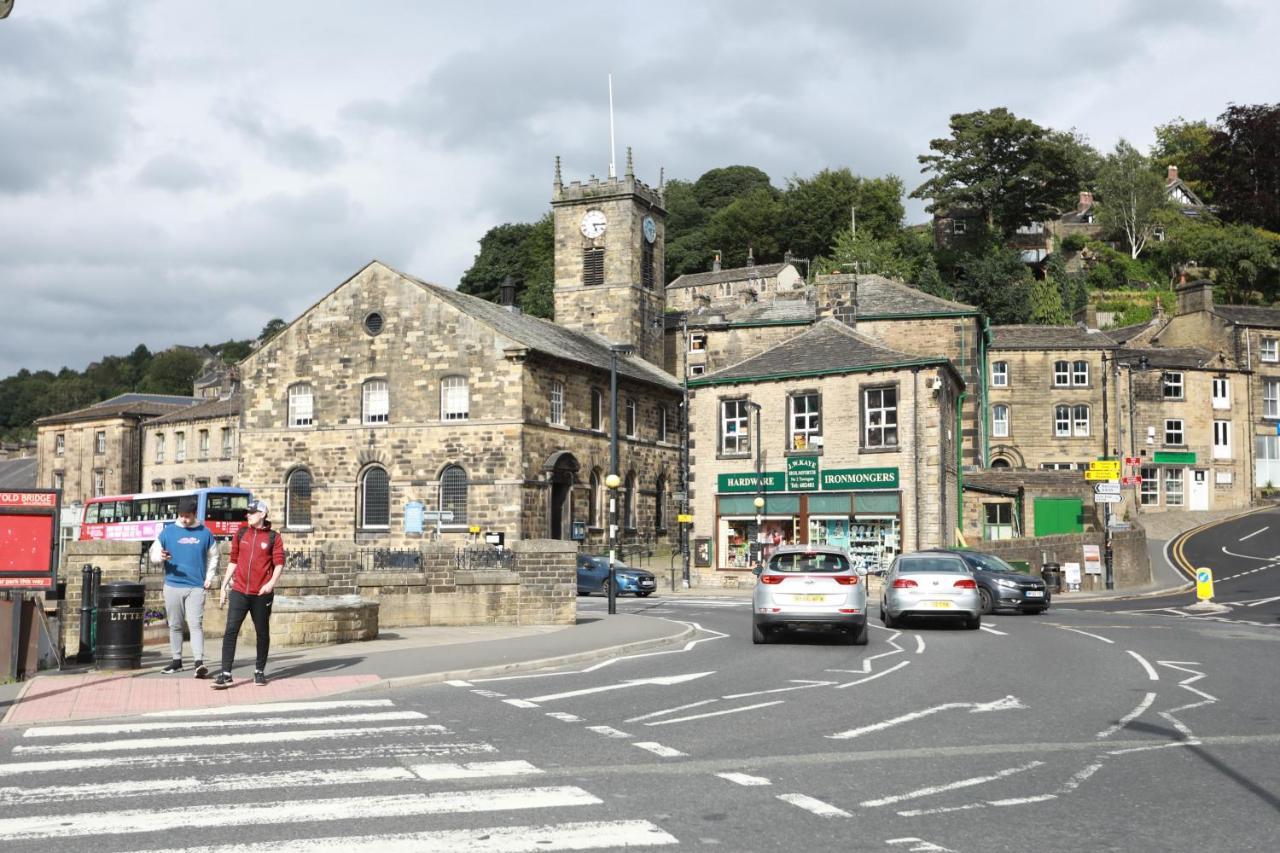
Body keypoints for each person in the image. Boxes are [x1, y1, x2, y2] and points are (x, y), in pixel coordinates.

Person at [213, 498, 284, 689]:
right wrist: (224, 585)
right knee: (230, 631)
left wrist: (270, 584)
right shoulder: (241, 532)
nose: (248, 515)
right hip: (239, 591)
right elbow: (234, 560)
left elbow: (279, 564)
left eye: (252, 512)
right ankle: (225, 673)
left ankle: (259, 671)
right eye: (248, 512)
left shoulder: (273, 537)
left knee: (262, 632)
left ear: (262, 514)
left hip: (261, 593)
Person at [149, 495, 219, 678]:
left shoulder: (205, 532)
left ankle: (199, 663)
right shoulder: (168, 532)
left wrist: (209, 577)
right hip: (172, 584)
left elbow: (214, 555)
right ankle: (176, 660)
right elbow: (154, 554)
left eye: (188, 516)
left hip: (196, 586)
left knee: (196, 624)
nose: (184, 519)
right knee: (175, 625)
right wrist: (160, 557)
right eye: (181, 515)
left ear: (195, 514)